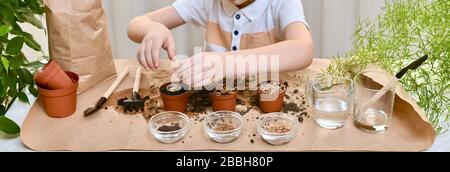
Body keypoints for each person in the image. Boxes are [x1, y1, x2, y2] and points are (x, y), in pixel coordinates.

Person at [128, 0, 313, 87]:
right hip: (215, 100)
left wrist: (226, 62)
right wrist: (153, 29)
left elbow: (303, 49)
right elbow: (136, 24)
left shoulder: (282, 3)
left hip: (267, 99)